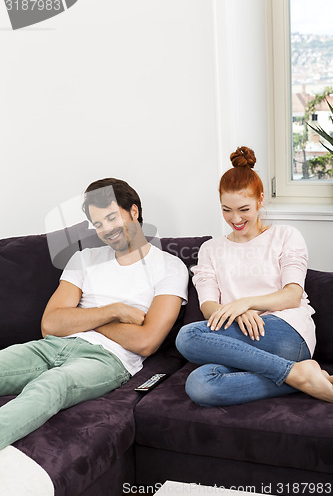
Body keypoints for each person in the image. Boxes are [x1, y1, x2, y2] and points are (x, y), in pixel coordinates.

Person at [0, 178, 188, 449]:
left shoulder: (170, 267)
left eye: (112, 218)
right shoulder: (84, 258)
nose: (107, 230)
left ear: (133, 212)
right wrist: (115, 312)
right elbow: (50, 324)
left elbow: (146, 341)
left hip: (107, 359)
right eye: (99, 224)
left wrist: (81, 316)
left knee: (52, 384)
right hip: (52, 345)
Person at [176, 146, 333, 406]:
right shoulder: (211, 249)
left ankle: (296, 369)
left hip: (287, 333)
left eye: (244, 209)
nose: (235, 218)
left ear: (260, 200)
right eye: (226, 210)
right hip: (241, 338)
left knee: (188, 336)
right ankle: (299, 375)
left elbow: (292, 295)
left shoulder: (285, 236)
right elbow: (207, 307)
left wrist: (246, 303)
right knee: (200, 384)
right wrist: (236, 314)